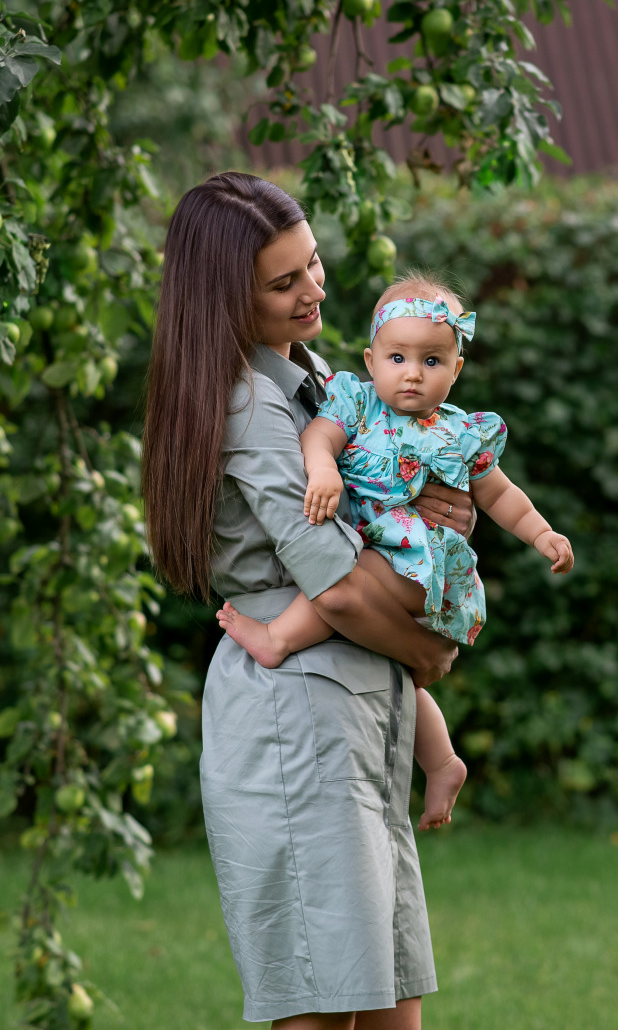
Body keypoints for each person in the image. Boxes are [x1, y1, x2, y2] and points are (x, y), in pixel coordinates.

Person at [141, 172, 468, 1029]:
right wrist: (424, 651)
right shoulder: (251, 407)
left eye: (312, 263)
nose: (313, 289)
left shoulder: (317, 376)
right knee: (324, 1005)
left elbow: (384, 510)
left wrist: (443, 510)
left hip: (356, 710)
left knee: (391, 998)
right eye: (283, 283)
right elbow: (337, 584)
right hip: (299, 725)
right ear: (226, 300)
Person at [218, 274, 575, 830]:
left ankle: (278, 638)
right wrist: (323, 470)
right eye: (398, 358)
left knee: (341, 571)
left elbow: (501, 494)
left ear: (456, 369)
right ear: (372, 360)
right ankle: (442, 761)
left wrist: (542, 534)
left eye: (432, 361)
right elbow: (318, 439)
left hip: (419, 567)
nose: (412, 373)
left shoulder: (460, 433)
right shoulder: (356, 403)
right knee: (396, 664)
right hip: (396, 561)